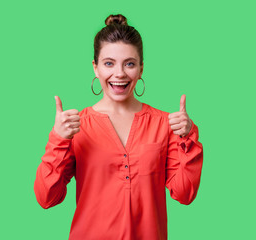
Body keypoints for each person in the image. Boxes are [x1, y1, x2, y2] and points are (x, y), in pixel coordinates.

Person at [34, 14, 204, 240]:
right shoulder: (76, 126)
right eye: (108, 63)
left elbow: (184, 194)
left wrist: (188, 136)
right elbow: (47, 198)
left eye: (130, 64)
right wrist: (58, 139)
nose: (120, 73)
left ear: (141, 69)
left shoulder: (165, 124)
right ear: (95, 68)